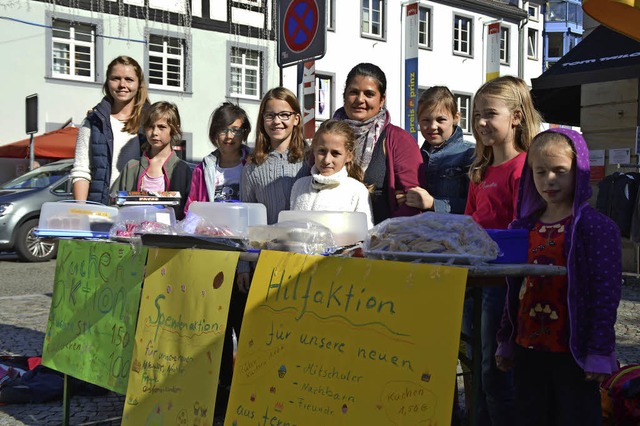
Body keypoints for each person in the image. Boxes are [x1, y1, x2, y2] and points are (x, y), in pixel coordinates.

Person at [496, 128, 622, 425]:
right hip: (528, 347)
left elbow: (606, 293)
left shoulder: (596, 228)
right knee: (530, 415)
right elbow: (512, 287)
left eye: (559, 171)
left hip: (573, 351)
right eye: (540, 172)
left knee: (575, 416)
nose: (549, 180)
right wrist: (506, 338)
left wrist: (599, 350)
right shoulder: (522, 227)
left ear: (579, 171)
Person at [463, 75, 543, 426]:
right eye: (476, 114)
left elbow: (523, 228)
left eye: (490, 114)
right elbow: (468, 223)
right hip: (473, 279)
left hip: (503, 284)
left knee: (495, 369)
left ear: (516, 117)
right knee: (475, 365)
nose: (480, 122)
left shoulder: (524, 167)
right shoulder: (479, 170)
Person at [333, 62, 422, 224]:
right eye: (354, 92)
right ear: (344, 96)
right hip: (332, 237)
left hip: (381, 241)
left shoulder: (399, 140)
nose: (360, 100)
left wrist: (386, 238)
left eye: (369, 94)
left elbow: (412, 201)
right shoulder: (327, 136)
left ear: (382, 100)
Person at [70, 55, 150, 205]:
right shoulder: (93, 122)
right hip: (101, 207)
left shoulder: (151, 122)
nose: (122, 84)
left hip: (140, 208)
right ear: (107, 82)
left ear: (139, 84)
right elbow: (81, 171)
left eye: (129, 79)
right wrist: (80, 210)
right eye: (115, 78)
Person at [399, 86, 475, 214]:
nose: (433, 126)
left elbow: (476, 205)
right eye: (426, 120)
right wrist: (404, 198)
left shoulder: (469, 154)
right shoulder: (415, 155)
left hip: (454, 232)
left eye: (441, 120)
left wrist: (434, 203)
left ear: (456, 118)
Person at [240, 87, 310, 225]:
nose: (276, 121)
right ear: (262, 119)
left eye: (284, 115)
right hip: (267, 245)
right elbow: (247, 217)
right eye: (270, 115)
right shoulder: (252, 167)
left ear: (296, 119)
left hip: (303, 243)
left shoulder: (310, 160)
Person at [111, 101, 192, 220]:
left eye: (161, 127)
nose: (154, 133)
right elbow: (114, 203)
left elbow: (190, 212)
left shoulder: (183, 170)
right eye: (150, 127)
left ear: (174, 130)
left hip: (169, 236)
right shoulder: (132, 167)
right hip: (134, 234)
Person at [290, 119, 373, 228]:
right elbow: (290, 228)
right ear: (314, 150)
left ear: (349, 156)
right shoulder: (299, 186)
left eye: (335, 153)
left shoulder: (357, 191)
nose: (327, 160)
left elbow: (365, 235)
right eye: (322, 151)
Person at [185, 102, 252, 211]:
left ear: (244, 133)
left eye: (235, 130)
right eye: (223, 130)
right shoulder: (202, 170)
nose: (229, 136)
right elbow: (191, 209)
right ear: (215, 133)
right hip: (211, 228)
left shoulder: (254, 165)